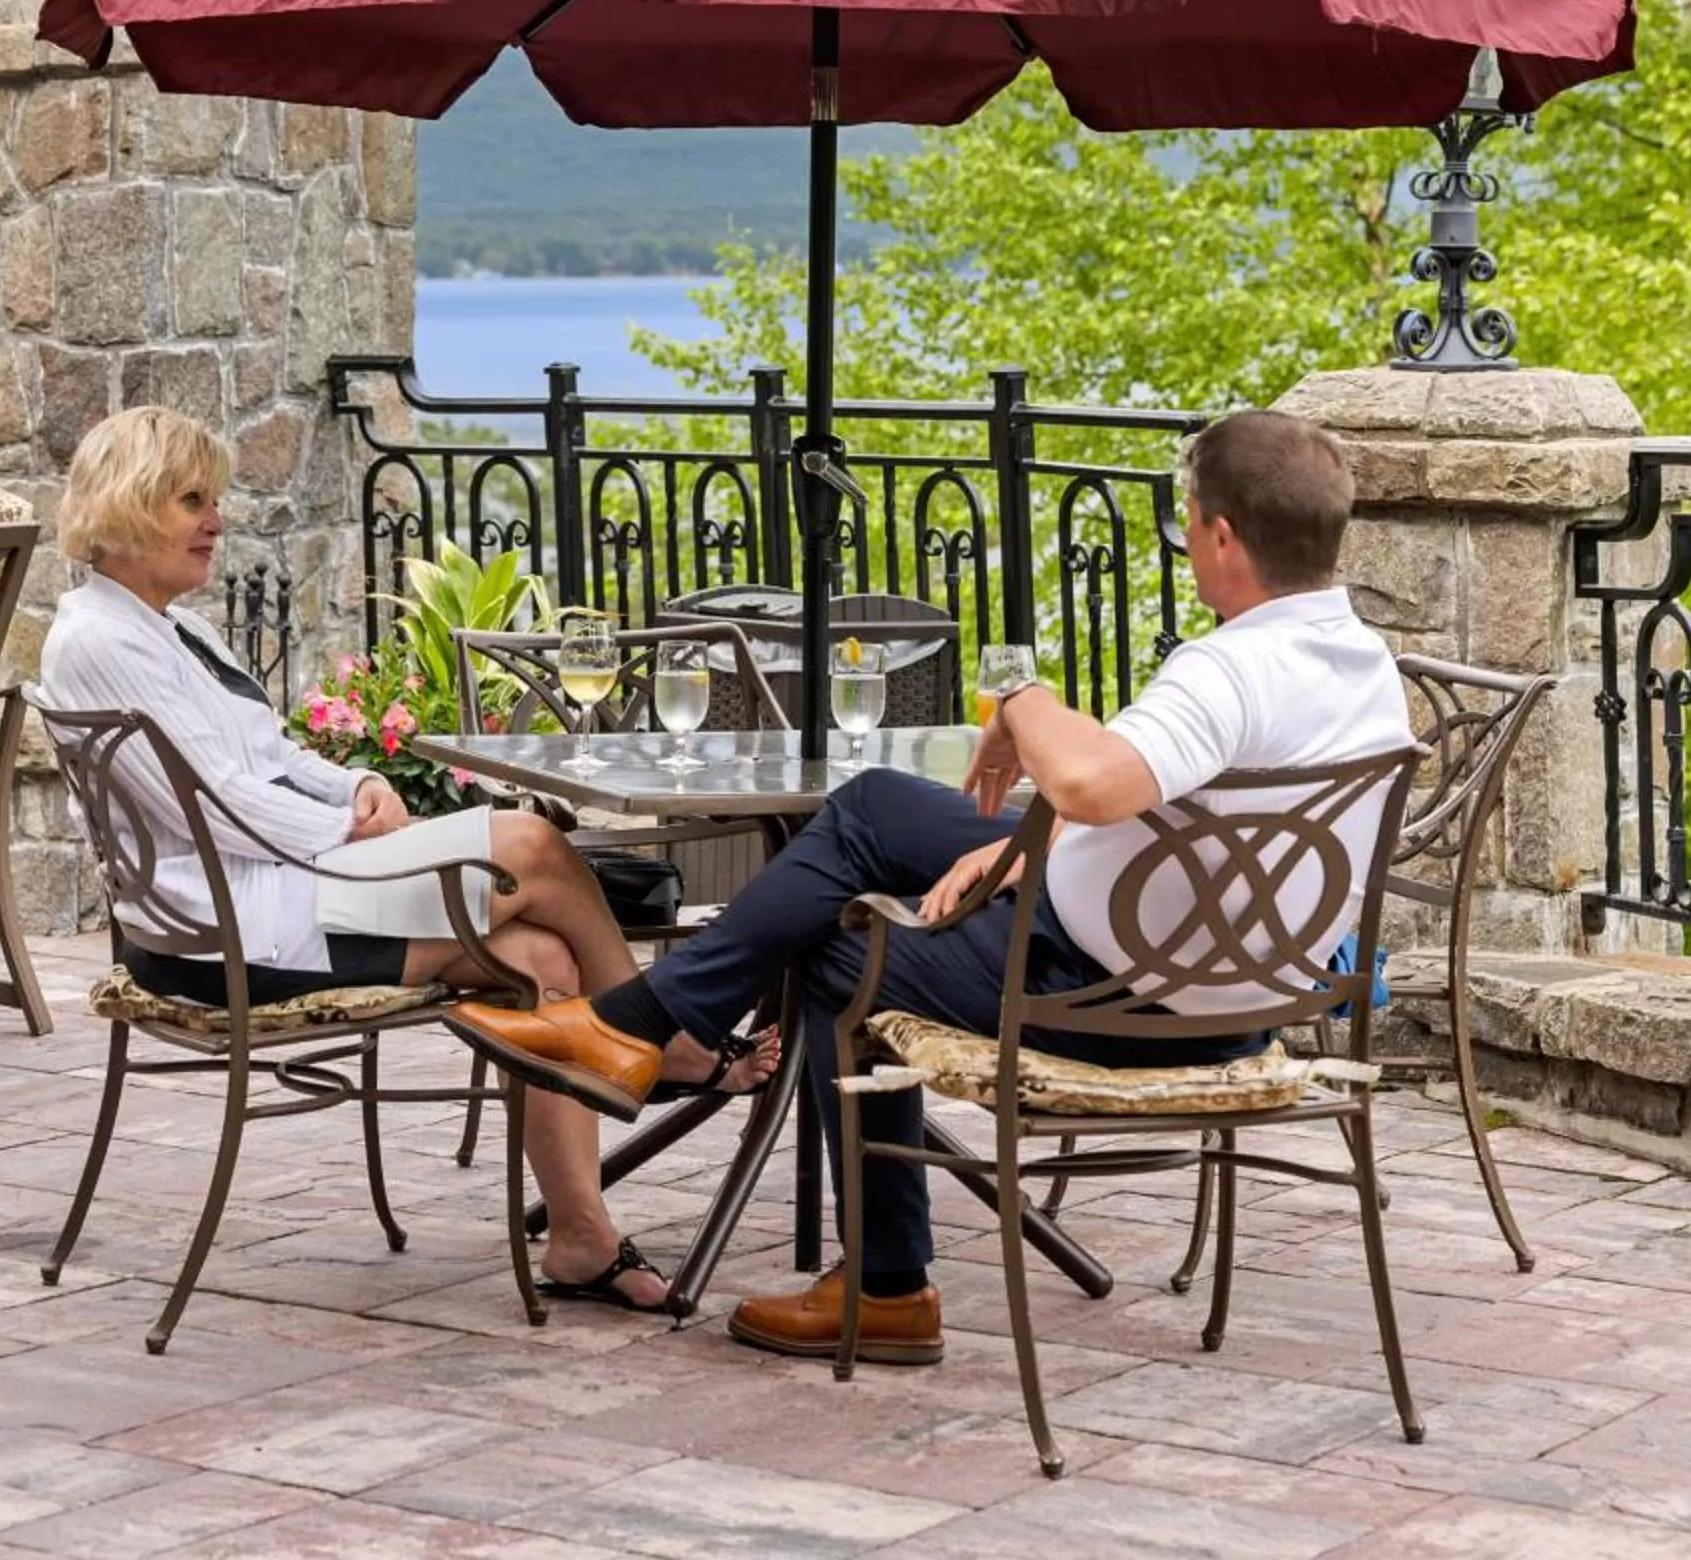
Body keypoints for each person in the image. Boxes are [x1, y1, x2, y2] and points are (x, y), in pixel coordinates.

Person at [444, 409, 1411, 1362]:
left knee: (832, 949)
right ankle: (643, 1023)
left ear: (1222, 535)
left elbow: (1090, 782)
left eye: (1188, 521)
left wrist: (1022, 700)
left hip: (1111, 993)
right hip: (1243, 993)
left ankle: (886, 1284)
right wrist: (1032, 847)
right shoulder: (1364, 666)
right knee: (874, 810)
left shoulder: (1230, 670)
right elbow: (1188, 824)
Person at [38, 406, 776, 1314]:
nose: (215, 520)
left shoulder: (166, 629)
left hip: (278, 892)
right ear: (131, 504)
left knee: (543, 962)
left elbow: (264, 757)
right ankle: (662, 1039)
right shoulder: (101, 640)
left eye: (213, 499)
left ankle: (582, 1239)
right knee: (532, 843)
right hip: (238, 932)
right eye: (193, 500)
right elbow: (218, 808)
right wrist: (352, 833)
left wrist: (352, 786)